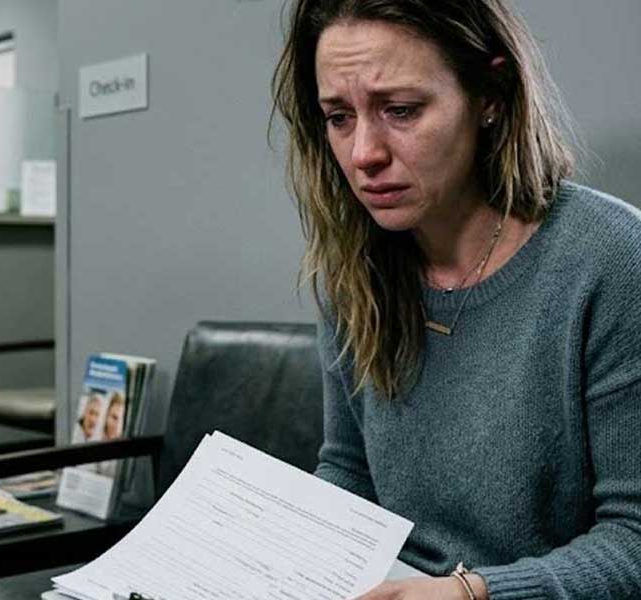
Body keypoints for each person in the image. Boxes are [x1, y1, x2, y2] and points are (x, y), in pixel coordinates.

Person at [272, 1, 641, 599]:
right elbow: (348, 470)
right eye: (339, 117)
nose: (364, 152)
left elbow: (635, 541)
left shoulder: (612, 260)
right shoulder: (354, 270)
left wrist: (473, 593)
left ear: (489, 96)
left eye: (401, 110)